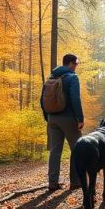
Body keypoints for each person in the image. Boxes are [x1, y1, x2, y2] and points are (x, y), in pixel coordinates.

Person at [41, 53, 84, 191]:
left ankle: (52, 183)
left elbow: (42, 100)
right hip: (69, 118)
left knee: (55, 151)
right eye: (76, 63)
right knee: (77, 149)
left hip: (52, 118)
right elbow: (75, 99)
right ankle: (76, 181)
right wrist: (80, 118)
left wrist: (47, 117)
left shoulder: (51, 78)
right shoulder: (72, 78)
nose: (76, 66)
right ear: (71, 63)